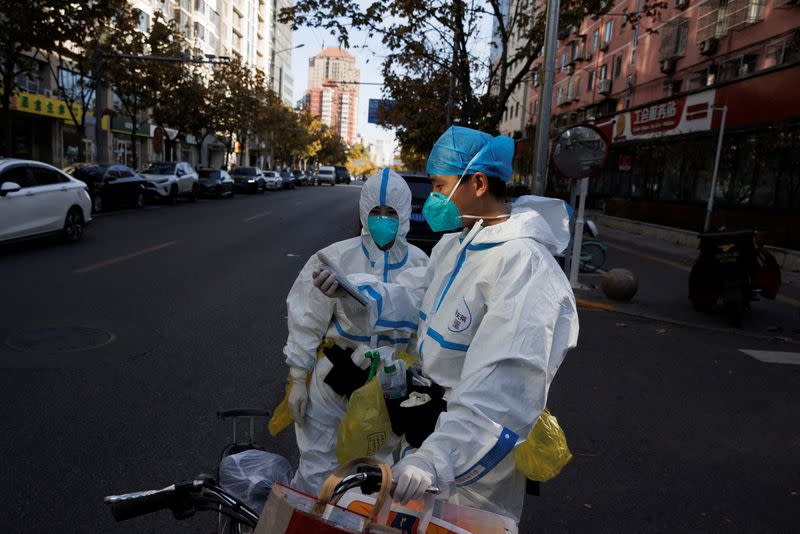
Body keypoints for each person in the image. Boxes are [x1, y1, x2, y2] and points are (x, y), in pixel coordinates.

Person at [313, 126, 579, 522]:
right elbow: (418, 300)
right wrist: (356, 290)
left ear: (477, 182)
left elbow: (503, 385)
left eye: (439, 186)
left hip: (474, 455)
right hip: (430, 426)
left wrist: (437, 459)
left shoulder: (524, 266)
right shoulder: (455, 246)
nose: (433, 198)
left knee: (462, 524)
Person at [282, 167, 429, 495]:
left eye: (390, 212)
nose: (382, 219)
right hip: (335, 381)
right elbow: (306, 319)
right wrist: (297, 378)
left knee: (374, 477)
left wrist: (423, 376)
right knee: (316, 469)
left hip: (388, 386)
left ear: (404, 213)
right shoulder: (336, 257)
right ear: (363, 211)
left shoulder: (421, 264)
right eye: (375, 212)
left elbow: (424, 330)